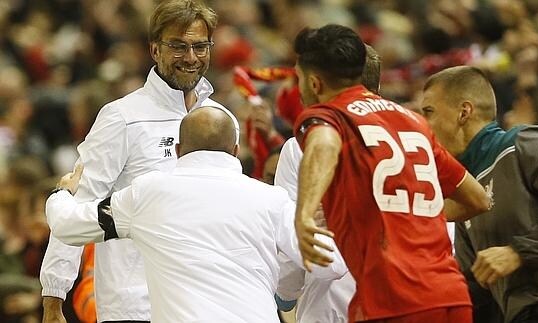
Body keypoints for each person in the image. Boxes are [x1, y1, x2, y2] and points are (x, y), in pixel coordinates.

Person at [45, 106, 347, 323]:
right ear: (236, 150)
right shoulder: (272, 199)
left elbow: (67, 226)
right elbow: (331, 266)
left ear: (177, 150)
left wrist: (63, 193)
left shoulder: (147, 194)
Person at [40, 1, 227, 322]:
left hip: (206, 303)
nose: (192, 57)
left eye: (200, 46)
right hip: (136, 304)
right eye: (178, 47)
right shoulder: (122, 118)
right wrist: (54, 296)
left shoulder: (223, 120)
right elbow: (80, 201)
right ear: (155, 50)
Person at [291, 24, 492, 323]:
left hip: (394, 298)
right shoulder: (413, 121)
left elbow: (323, 143)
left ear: (315, 83)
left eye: (299, 79)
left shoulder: (329, 115)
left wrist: (304, 213)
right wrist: (414, 216)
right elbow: (478, 199)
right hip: (451, 295)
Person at [421, 65, 538, 323]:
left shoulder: (523, 145)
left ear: (464, 112)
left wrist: (518, 252)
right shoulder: (465, 194)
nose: (422, 125)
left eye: (429, 112)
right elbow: (476, 288)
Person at [274, 44, 381, 323]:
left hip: (330, 299)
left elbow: (292, 232)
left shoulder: (302, 145)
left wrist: (285, 292)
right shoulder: (408, 131)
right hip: (399, 291)